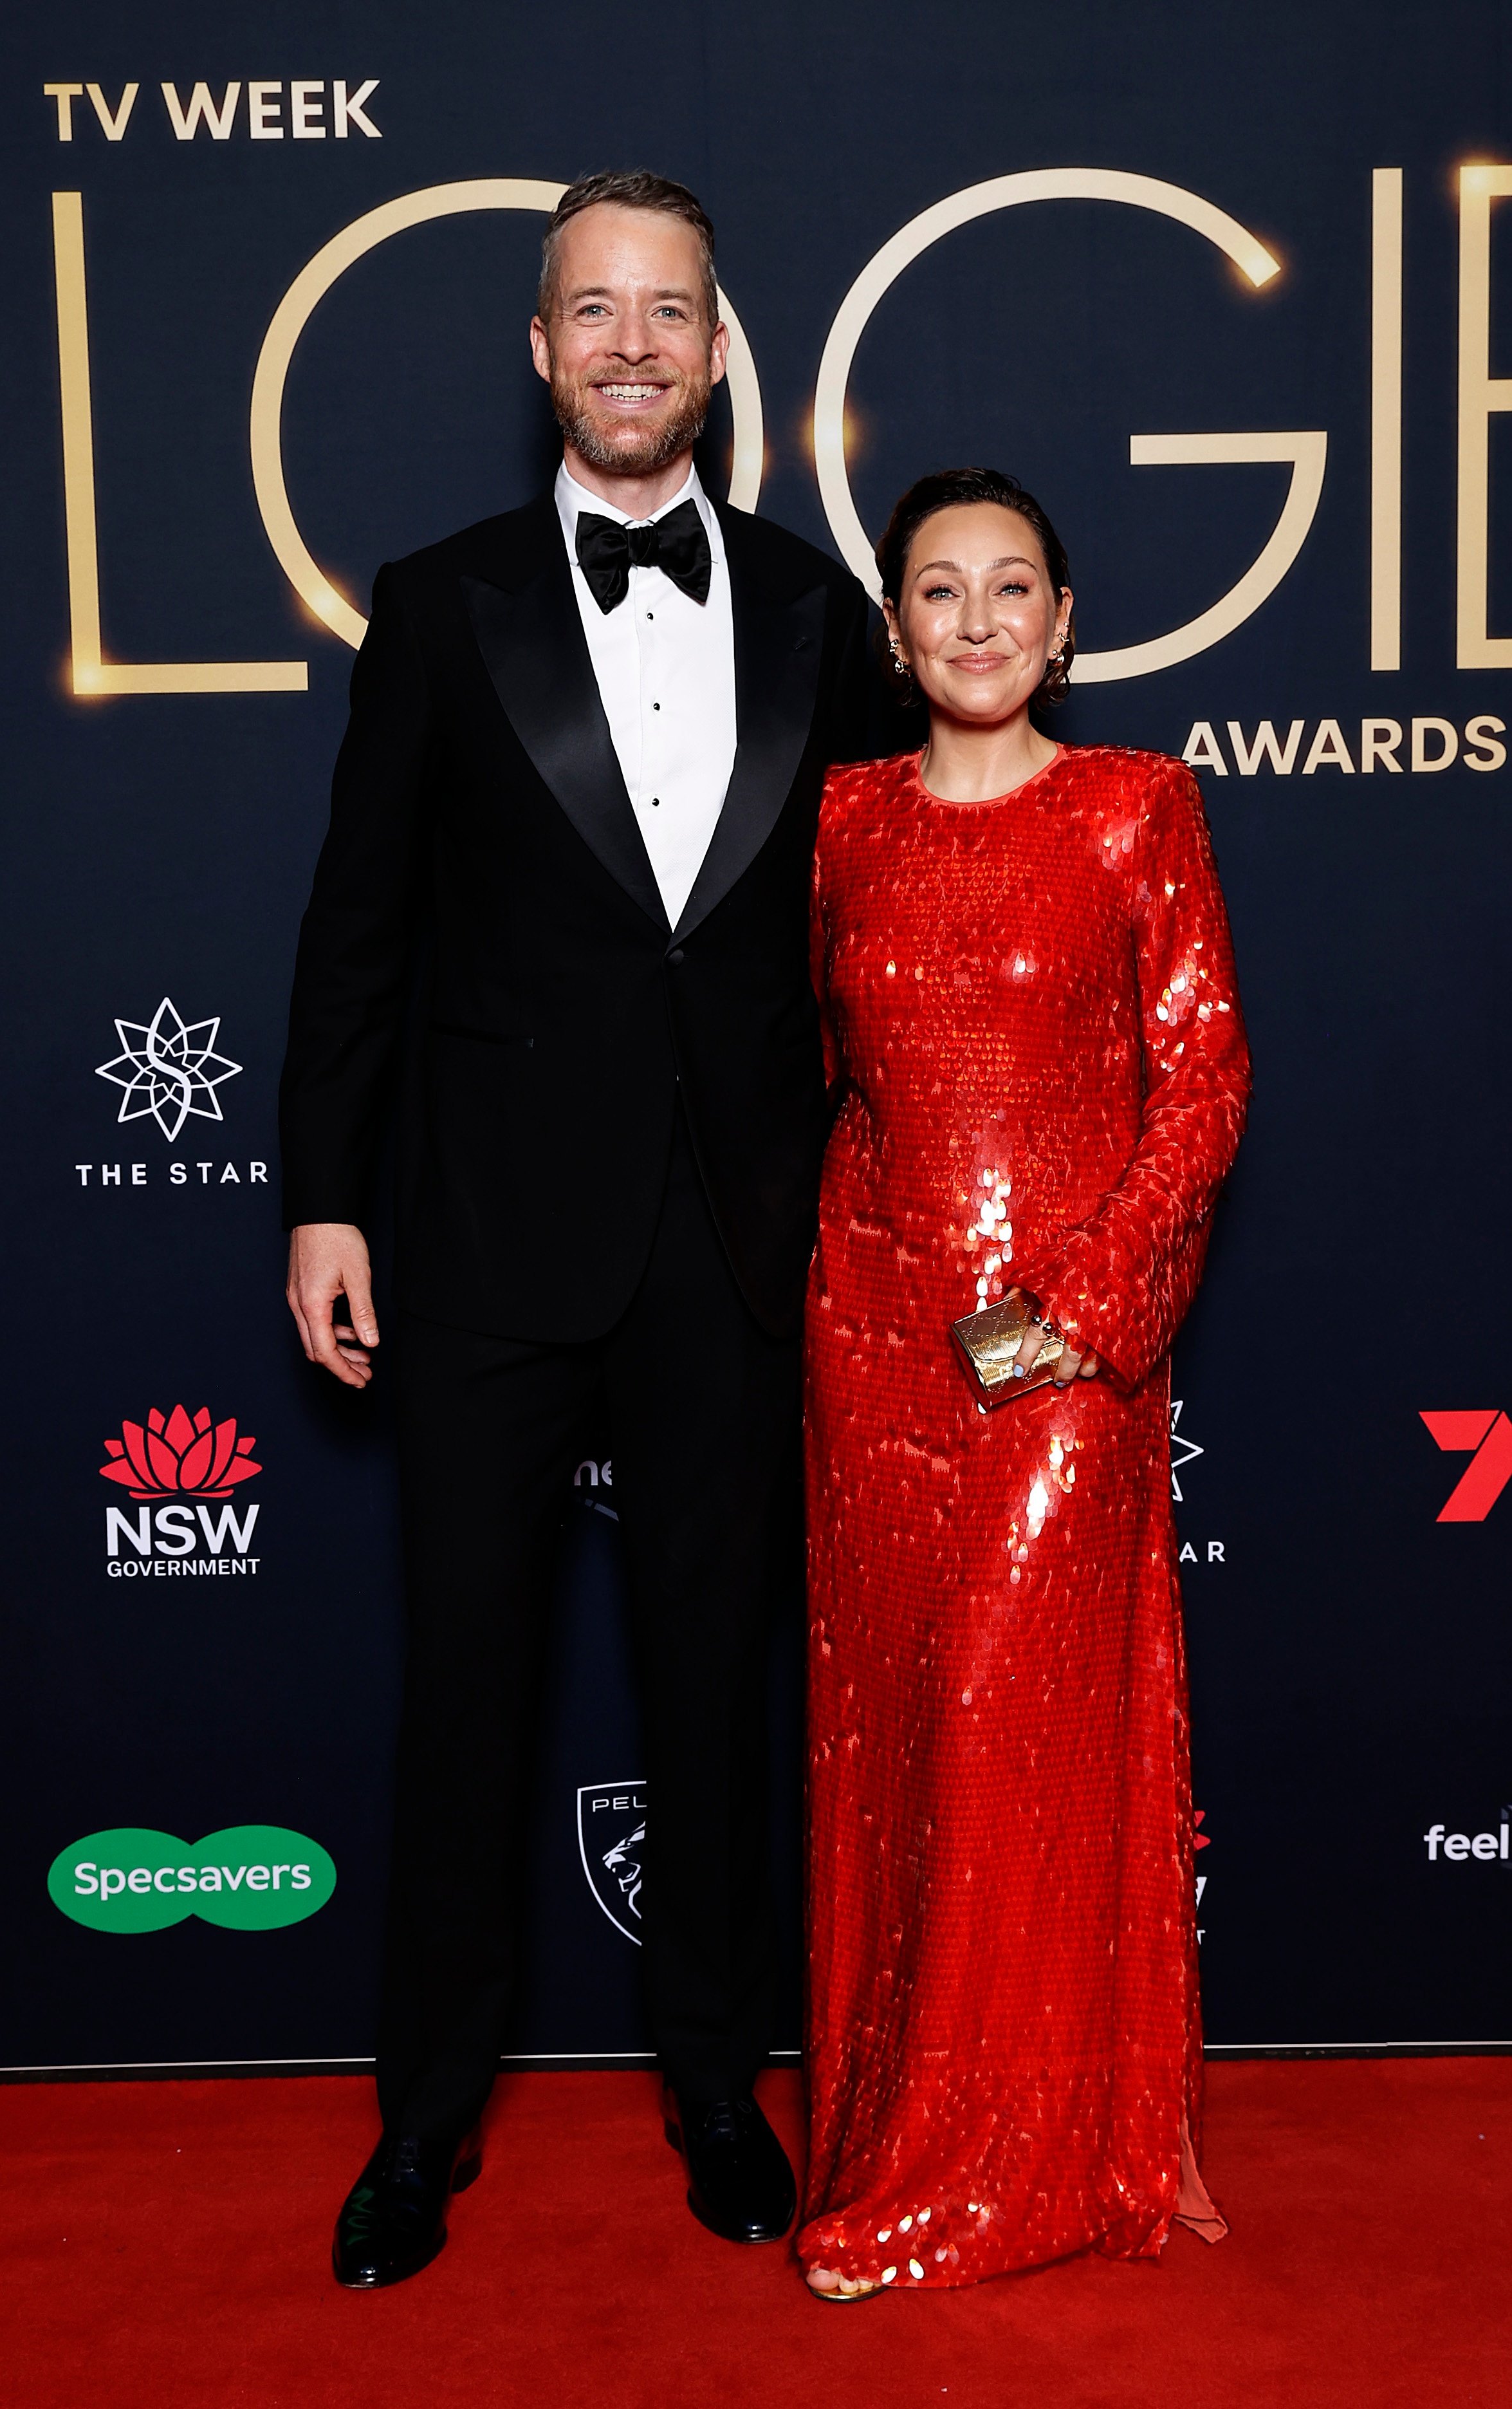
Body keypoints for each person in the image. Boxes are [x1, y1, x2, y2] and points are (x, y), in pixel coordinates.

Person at [279, 170, 875, 2289]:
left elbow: (892, 934)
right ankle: (422, 2125)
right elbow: (358, 933)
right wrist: (326, 1195)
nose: (634, 345)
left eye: (672, 310)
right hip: (478, 1241)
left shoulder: (828, 613)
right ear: (540, 348)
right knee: (468, 1687)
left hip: (741, 1233)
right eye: (593, 311)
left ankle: (717, 2082)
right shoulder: (433, 604)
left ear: (723, 348)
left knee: (718, 1685)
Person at [798, 469, 1249, 2298]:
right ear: (894, 630)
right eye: (938, 591)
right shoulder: (836, 823)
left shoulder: (1140, 812)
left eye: (1011, 591)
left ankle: (993, 2172)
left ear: (1065, 624)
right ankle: (890, 2119)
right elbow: (818, 1085)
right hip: (871, 1351)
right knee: (898, 1741)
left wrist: (1079, 1299)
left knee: (1009, 1737)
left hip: (1061, 1359)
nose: (976, 623)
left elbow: (1202, 1083)